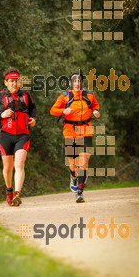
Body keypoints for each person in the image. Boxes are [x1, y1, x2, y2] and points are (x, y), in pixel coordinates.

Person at [0, 67, 36, 206]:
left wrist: (33, 118)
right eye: (11, 81)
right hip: (5, 135)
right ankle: (9, 190)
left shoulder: (26, 95)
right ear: (6, 82)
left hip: (23, 135)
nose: (14, 84)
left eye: (17, 81)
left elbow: (33, 108)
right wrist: (1, 115)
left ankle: (17, 194)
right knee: (7, 168)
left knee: (19, 163)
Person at [50, 71, 100, 203]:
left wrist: (96, 111)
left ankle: (80, 192)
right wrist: (63, 111)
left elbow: (95, 105)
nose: (77, 83)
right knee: (72, 162)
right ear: (71, 82)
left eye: (79, 81)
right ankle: (73, 175)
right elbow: (52, 110)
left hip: (86, 130)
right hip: (70, 131)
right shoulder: (65, 96)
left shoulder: (89, 94)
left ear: (82, 82)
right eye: (74, 81)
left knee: (84, 161)